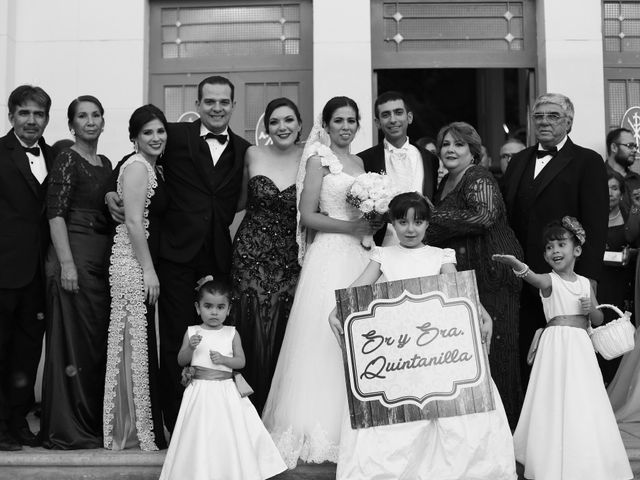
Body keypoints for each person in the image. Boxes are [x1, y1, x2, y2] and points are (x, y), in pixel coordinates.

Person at [327, 192, 517, 480]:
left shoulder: (441, 255)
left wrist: (482, 311)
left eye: (418, 222)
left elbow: (458, 290)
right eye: (403, 222)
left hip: (435, 346)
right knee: (401, 407)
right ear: (392, 223)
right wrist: (335, 310)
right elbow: (357, 289)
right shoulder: (383, 255)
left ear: (428, 224)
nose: (411, 229)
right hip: (400, 351)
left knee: (447, 402)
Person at [106, 76, 250, 433]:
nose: (217, 108)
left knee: (215, 338)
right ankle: (175, 422)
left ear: (233, 105)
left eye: (224, 102)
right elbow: (134, 158)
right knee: (176, 340)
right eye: (210, 101)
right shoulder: (174, 135)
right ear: (198, 105)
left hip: (216, 257)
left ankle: (212, 421)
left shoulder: (245, 148)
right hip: (174, 256)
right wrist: (110, 192)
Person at [262, 96, 375, 468]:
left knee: (358, 338)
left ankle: (355, 425)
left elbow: (367, 212)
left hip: (359, 257)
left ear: (358, 125)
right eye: (338, 120)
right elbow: (307, 215)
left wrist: (371, 223)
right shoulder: (318, 159)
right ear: (325, 125)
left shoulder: (361, 164)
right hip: (328, 254)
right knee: (321, 339)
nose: (345, 126)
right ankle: (314, 426)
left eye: (351, 120)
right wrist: (351, 227)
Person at [493, 217, 632, 480]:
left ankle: (585, 454)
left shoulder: (585, 283)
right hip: (557, 346)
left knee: (582, 395)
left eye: (560, 244)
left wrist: (590, 310)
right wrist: (518, 266)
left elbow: (598, 320)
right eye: (549, 247)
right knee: (555, 395)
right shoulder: (549, 281)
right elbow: (532, 278)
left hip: (580, 346)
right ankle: (550, 455)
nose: (554, 251)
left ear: (576, 250)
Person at [501, 93, 608, 387]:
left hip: (566, 278)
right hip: (523, 276)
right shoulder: (519, 160)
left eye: (553, 115)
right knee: (528, 348)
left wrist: (589, 279)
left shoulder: (588, 161)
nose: (544, 121)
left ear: (569, 122)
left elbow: (597, 226)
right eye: (539, 116)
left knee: (568, 354)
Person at [425, 121, 524, 428]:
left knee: (499, 352)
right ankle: (483, 432)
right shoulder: (446, 182)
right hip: (469, 273)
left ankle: (507, 431)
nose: (450, 150)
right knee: (475, 354)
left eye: (459, 144)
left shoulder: (478, 176)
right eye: (445, 144)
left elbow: (483, 216)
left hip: (494, 271)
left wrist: (430, 214)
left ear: (473, 150)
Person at [159, 278, 286, 480]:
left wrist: (225, 360)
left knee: (226, 432)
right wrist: (190, 347)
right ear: (198, 308)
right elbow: (181, 360)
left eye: (220, 307)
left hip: (225, 391)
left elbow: (241, 362)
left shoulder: (231, 333)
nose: (214, 312)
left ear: (228, 309)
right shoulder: (192, 332)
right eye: (208, 306)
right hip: (199, 391)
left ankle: (231, 470)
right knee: (200, 433)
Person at [40, 96, 112, 449]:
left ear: (103, 121)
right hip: (75, 258)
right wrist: (66, 263)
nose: (89, 121)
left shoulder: (105, 161)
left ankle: (91, 421)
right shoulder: (67, 157)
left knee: (94, 345)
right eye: (82, 116)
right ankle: (68, 428)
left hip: (100, 261)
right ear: (71, 124)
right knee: (73, 344)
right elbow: (55, 214)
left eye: (95, 115)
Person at [231, 98, 303, 414]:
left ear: (300, 125)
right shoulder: (252, 154)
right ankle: (245, 412)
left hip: (290, 258)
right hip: (249, 255)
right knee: (250, 325)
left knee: (284, 328)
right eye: (275, 122)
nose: (282, 127)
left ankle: (278, 412)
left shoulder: (312, 159)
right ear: (267, 127)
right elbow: (234, 201)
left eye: (288, 120)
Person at [103, 105, 168, 451]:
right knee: (133, 346)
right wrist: (147, 269)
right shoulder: (138, 167)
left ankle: (143, 427)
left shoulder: (151, 166)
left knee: (139, 345)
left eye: (160, 131)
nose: (156, 138)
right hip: (131, 264)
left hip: (137, 262)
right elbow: (132, 223)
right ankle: (133, 432)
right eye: (148, 133)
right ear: (134, 138)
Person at [0, 85, 53, 451]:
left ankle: (18, 422)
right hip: (3, 271)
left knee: (26, 354)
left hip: (38, 274)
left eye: (38, 114)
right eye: (25, 113)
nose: (32, 120)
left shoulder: (56, 155)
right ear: (11, 116)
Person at [358, 91, 439, 246]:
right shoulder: (364, 159)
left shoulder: (430, 159)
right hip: (382, 245)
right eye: (386, 115)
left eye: (398, 112)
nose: (393, 119)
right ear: (377, 122)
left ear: (409, 117)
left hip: (425, 245)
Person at [596, 171, 635, 384]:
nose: (609, 193)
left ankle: (620, 385)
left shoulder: (630, 216)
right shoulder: (591, 219)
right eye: (605, 188)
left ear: (621, 193)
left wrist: (631, 254)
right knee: (602, 333)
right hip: (601, 282)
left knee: (623, 334)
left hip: (624, 282)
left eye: (614, 188)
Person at [606, 127, 640, 215]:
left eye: (635, 146)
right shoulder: (596, 176)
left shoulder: (637, 180)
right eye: (630, 146)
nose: (635, 150)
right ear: (614, 147)